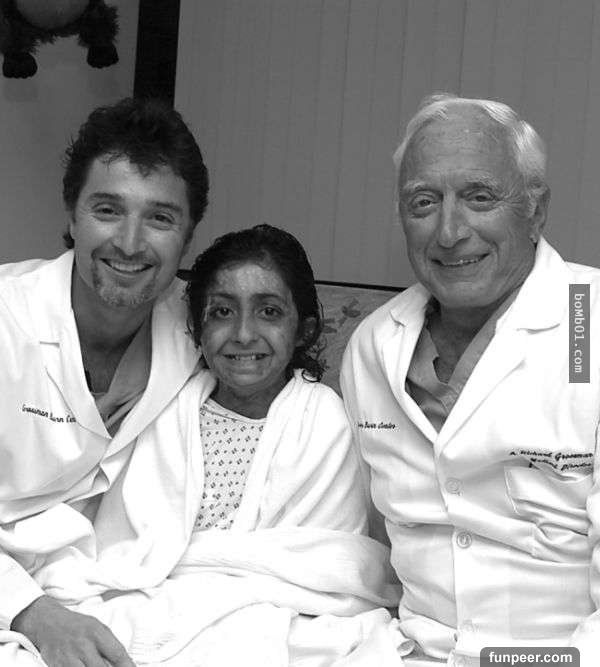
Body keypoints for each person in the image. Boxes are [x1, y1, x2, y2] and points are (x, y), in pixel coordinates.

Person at [23, 224, 400, 666]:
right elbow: (122, 542)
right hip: (150, 596)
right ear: (197, 329)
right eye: (221, 312)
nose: (243, 334)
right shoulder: (164, 407)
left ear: (303, 330)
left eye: (269, 312)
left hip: (277, 610)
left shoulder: (322, 419)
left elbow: (328, 565)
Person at [341, 93, 600, 666]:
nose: (449, 232)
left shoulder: (590, 323)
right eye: (423, 202)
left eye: (479, 197)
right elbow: (368, 534)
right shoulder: (373, 346)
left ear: (535, 210)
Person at [0, 97, 209, 667]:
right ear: (71, 217)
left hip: (118, 589)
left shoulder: (203, 331)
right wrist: (31, 612)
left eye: (160, 218)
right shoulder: (8, 317)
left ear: (188, 237)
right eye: (108, 210)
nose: (131, 243)